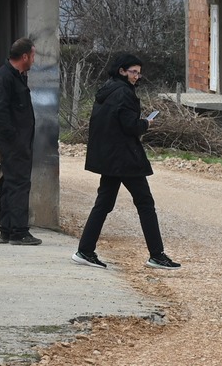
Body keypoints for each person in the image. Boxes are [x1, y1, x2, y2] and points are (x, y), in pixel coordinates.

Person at [73, 54, 179, 271]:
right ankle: (157, 255)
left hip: (110, 157)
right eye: (133, 72)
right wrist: (146, 124)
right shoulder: (123, 93)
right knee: (145, 203)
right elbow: (130, 126)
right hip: (124, 157)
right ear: (122, 71)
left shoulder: (108, 89)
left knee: (104, 204)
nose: (137, 76)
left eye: (139, 72)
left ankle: (85, 250)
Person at [0, 36, 39, 245]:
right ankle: (19, 231)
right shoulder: (4, 78)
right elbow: (0, 112)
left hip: (19, 140)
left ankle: (7, 230)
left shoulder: (18, 76)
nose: (34, 60)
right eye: (33, 55)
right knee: (19, 184)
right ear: (25, 56)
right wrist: (14, 139)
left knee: (11, 183)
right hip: (14, 142)